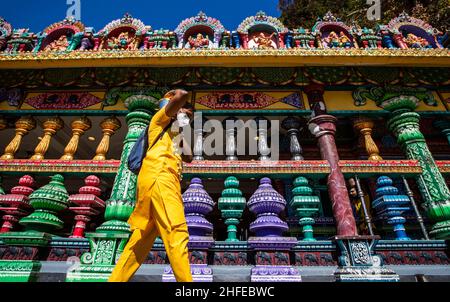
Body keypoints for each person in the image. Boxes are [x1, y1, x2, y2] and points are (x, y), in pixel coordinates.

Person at [109, 89, 194, 282]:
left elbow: (188, 156)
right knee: (177, 231)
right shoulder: (157, 122)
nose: (188, 117)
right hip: (159, 178)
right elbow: (182, 94)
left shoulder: (176, 133)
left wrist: (183, 127)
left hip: (161, 181)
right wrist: (173, 98)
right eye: (186, 113)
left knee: (139, 242)